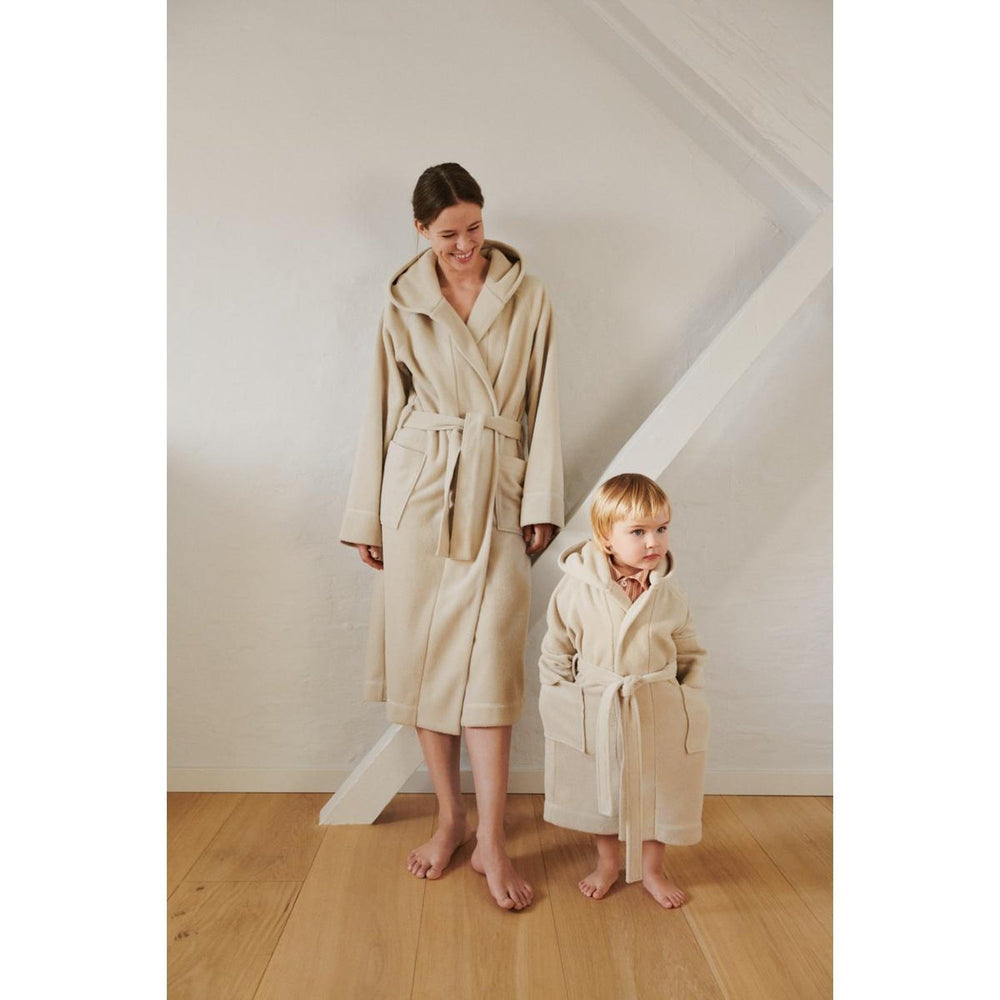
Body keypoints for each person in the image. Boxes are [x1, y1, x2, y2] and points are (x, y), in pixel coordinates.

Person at [340, 163, 563, 911]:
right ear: (420, 230)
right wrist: (367, 515)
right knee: (423, 661)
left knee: (491, 666)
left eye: (474, 227)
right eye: (448, 234)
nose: (465, 245)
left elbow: (545, 401)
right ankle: (450, 819)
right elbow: (380, 406)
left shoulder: (528, 296)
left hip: (494, 485)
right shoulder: (402, 302)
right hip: (419, 490)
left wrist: (541, 498)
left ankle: (492, 839)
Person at [538, 473, 708, 907]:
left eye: (661, 528)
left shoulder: (669, 592)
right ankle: (607, 863)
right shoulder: (575, 588)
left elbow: (689, 650)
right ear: (605, 538)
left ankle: (652, 870)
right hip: (600, 704)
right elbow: (557, 650)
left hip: (657, 705)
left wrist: (689, 697)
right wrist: (558, 699)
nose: (653, 541)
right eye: (638, 532)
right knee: (605, 789)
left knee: (659, 791)